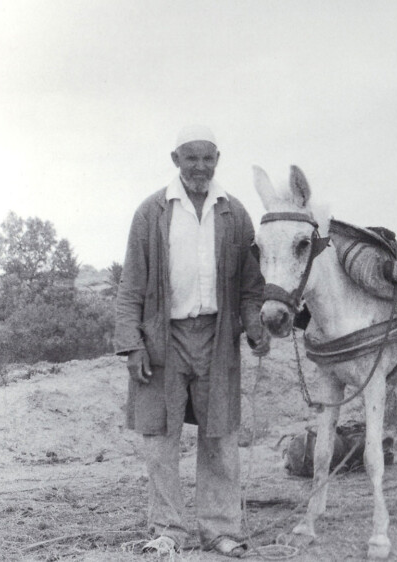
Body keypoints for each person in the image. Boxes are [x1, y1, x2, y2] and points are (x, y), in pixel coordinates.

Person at [114, 125, 269, 557]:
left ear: (218, 158)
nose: (199, 167)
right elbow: (130, 283)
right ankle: (167, 531)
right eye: (190, 158)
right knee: (160, 437)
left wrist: (255, 326)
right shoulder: (152, 212)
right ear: (175, 159)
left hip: (218, 336)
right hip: (162, 337)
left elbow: (251, 286)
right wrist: (132, 343)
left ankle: (219, 530)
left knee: (219, 434)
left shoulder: (234, 213)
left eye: (207, 158)